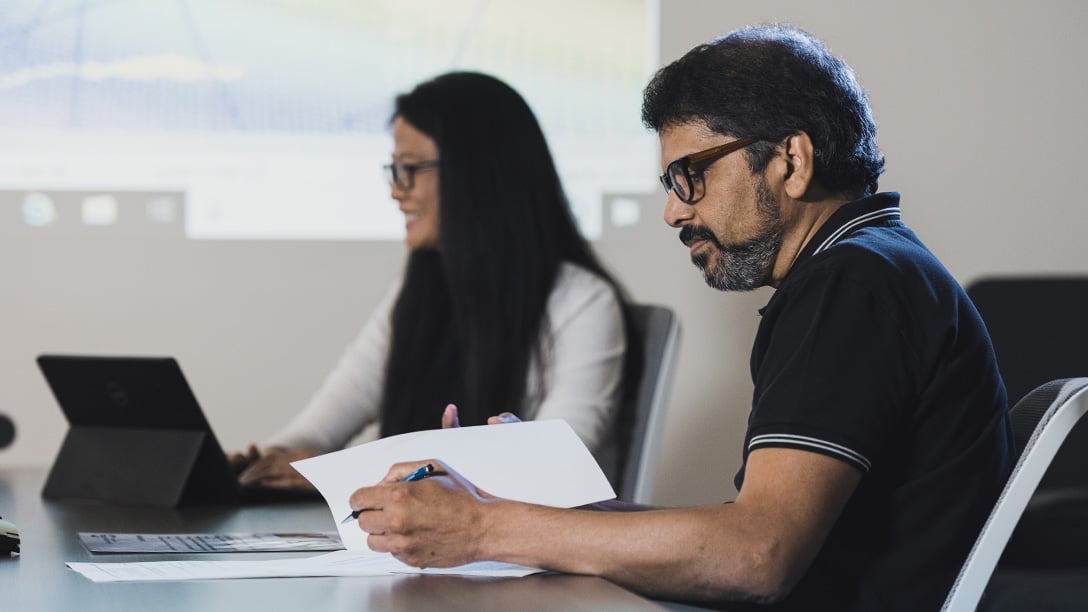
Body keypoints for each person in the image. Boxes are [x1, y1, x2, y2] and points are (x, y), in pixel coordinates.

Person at [346, 24, 1014, 611]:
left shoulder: (853, 282)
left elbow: (755, 557)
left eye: (689, 175)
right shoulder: (872, 268)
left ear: (791, 160)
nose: (674, 211)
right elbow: (748, 536)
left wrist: (484, 530)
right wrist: (526, 506)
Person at [231, 72, 633, 490]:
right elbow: (318, 429)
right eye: (394, 170)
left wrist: (331, 475)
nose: (396, 192)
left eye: (410, 169)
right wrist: (264, 463)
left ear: (477, 173)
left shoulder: (583, 302)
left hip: (522, 552)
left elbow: (552, 467)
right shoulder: (419, 291)